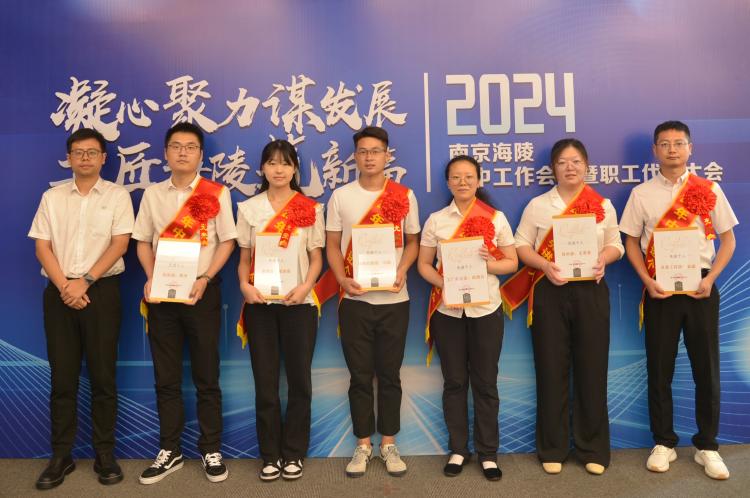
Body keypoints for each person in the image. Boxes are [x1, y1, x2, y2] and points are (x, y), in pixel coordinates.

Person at [620, 121, 737, 480]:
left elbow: (728, 241)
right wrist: (646, 280)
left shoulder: (708, 188)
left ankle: (707, 445)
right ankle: (664, 442)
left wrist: (711, 278)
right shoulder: (642, 194)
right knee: (660, 368)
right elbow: (630, 243)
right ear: (654, 150)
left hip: (701, 287)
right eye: (665, 144)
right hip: (660, 289)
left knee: (707, 369)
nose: (672, 149)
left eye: (679, 143)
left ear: (690, 148)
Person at [503, 138, 624, 475]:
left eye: (576, 161)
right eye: (562, 162)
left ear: (587, 166)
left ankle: (593, 448)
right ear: (553, 169)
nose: (570, 168)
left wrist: (604, 259)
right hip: (549, 291)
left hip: (591, 292)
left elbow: (616, 244)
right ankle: (552, 447)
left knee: (592, 369)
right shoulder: (539, 205)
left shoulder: (602, 204)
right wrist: (544, 265)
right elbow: (520, 246)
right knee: (550, 368)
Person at [29, 128, 134, 489]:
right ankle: (61, 456)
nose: (85, 158)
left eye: (92, 152)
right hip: (60, 293)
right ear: (69, 158)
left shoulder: (118, 196)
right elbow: (42, 247)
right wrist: (66, 286)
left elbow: (120, 244)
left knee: (103, 377)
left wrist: (85, 281)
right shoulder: (52, 197)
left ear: (104, 158)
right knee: (62, 378)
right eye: (78, 152)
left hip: (101, 292)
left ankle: (105, 454)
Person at [133, 122, 236, 484]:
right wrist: (151, 277)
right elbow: (142, 241)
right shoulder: (152, 195)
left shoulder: (217, 193)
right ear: (165, 153)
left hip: (202, 294)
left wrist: (205, 278)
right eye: (176, 146)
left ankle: (210, 448)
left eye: (190, 147)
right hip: (162, 296)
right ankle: (170, 449)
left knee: (207, 376)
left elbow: (227, 241)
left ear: (200, 155)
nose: (182, 152)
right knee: (166, 377)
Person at [325, 126, 420, 477]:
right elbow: (332, 244)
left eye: (376, 151)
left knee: (390, 375)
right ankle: (363, 445)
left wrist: (402, 269)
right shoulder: (341, 197)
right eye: (363, 151)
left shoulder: (404, 195)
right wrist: (341, 279)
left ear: (387, 156)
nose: (369, 157)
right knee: (360, 376)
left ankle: (389, 443)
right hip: (355, 299)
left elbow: (413, 242)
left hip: (395, 299)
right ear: (355, 156)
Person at [417, 155, 517, 481]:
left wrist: (488, 264)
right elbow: (423, 265)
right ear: (448, 183)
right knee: (455, 382)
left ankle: (488, 453)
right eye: (456, 177)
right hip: (448, 311)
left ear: (478, 180)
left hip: (485, 310)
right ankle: (458, 449)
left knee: (486, 383)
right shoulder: (436, 221)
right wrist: (443, 284)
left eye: (469, 176)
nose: (463, 182)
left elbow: (512, 263)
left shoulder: (496, 218)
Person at [236, 139, 323, 481]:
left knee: (300, 380)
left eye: (285, 163)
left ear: (295, 169)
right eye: (272, 163)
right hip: (260, 304)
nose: (278, 169)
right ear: (262, 168)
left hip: (299, 304)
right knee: (265, 381)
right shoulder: (249, 209)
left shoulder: (310, 209)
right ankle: (270, 454)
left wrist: (306, 286)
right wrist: (244, 286)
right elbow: (244, 258)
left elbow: (316, 258)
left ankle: (294, 453)